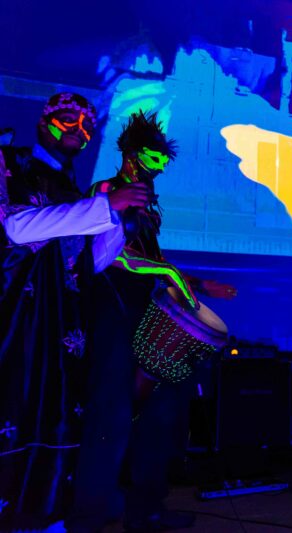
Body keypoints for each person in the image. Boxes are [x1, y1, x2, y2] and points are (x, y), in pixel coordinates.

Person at [67, 110, 235, 533]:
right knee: (110, 416)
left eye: (162, 161)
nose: (157, 167)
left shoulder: (145, 205)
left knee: (160, 414)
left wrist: (196, 282)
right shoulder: (107, 192)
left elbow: (150, 260)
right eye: (152, 158)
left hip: (144, 312)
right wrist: (173, 274)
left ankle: (148, 510)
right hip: (112, 315)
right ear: (129, 153)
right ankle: (90, 515)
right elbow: (109, 258)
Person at [0, 93, 150, 530]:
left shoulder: (69, 186)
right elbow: (15, 229)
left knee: (59, 415)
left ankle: (47, 515)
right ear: (44, 121)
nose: (79, 130)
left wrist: (120, 223)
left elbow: (88, 262)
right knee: (16, 409)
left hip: (64, 323)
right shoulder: (13, 163)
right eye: (69, 119)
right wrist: (105, 206)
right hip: (20, 318)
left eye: (87, 125)